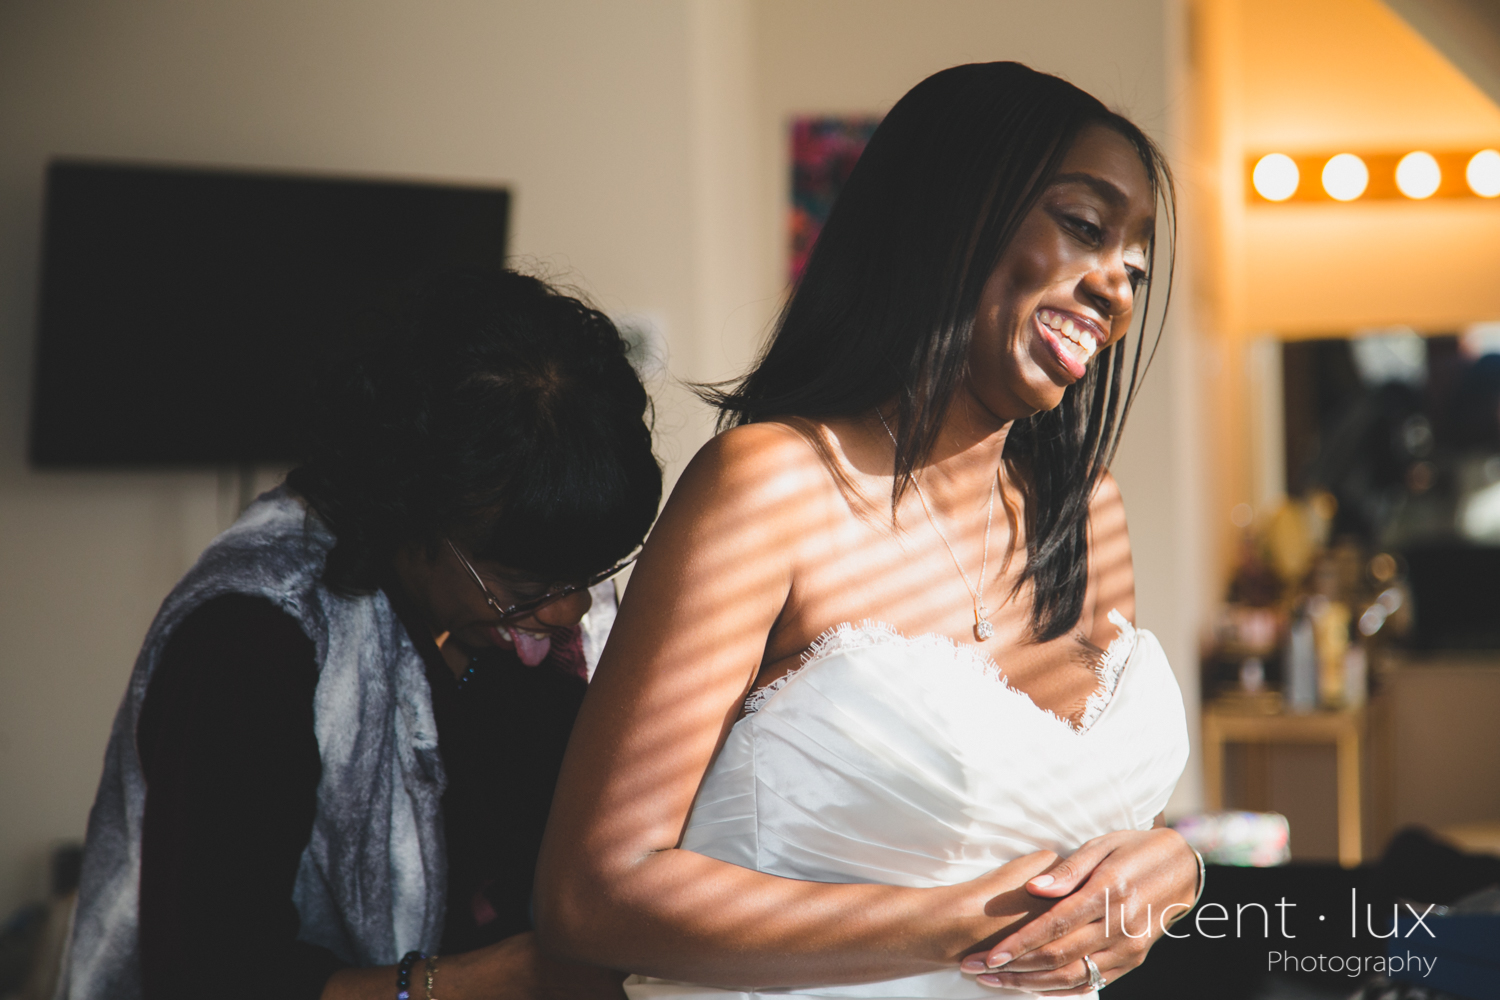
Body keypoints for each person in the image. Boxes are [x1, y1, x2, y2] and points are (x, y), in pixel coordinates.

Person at [536, 62, 1199, 999]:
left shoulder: (1087, 514)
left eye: (1135, 265)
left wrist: (1169, 867)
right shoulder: (769, 488)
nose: (1117, 290)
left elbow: (1083, 834)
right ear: (951, 212)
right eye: (1085, 228)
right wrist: (955, 928)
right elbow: (591, 897)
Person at [60, 268, 661, 1000]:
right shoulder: (251, 640)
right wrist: (470, 981)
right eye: (527, 589)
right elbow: (208, 973)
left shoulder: (512, 606)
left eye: (590, 575)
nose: (568, 614)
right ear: (413, 514)